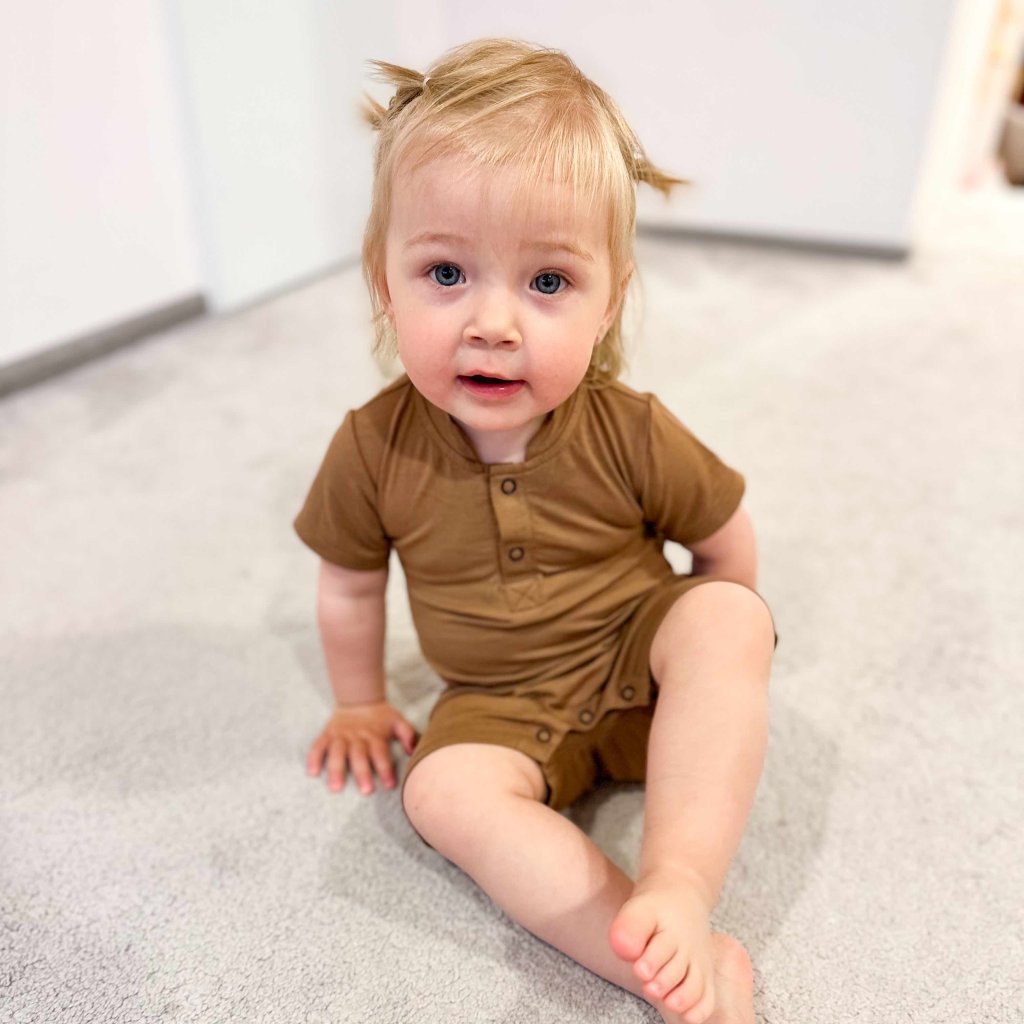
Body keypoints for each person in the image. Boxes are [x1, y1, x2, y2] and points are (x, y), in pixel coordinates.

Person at [294, 38, 776, 1024]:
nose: (494, 323)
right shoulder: (371, 448)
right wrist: (359, 701)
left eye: (547, 283)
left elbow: (725, 540)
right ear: (383, 281)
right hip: (497, 702)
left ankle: (679, 882)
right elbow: (348, 581)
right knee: (441, 794)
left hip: (635, 655)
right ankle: (652, 953)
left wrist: (720, 663)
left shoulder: (630, 429)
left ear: (608, 301)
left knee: (729, 616)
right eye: (445, 271)